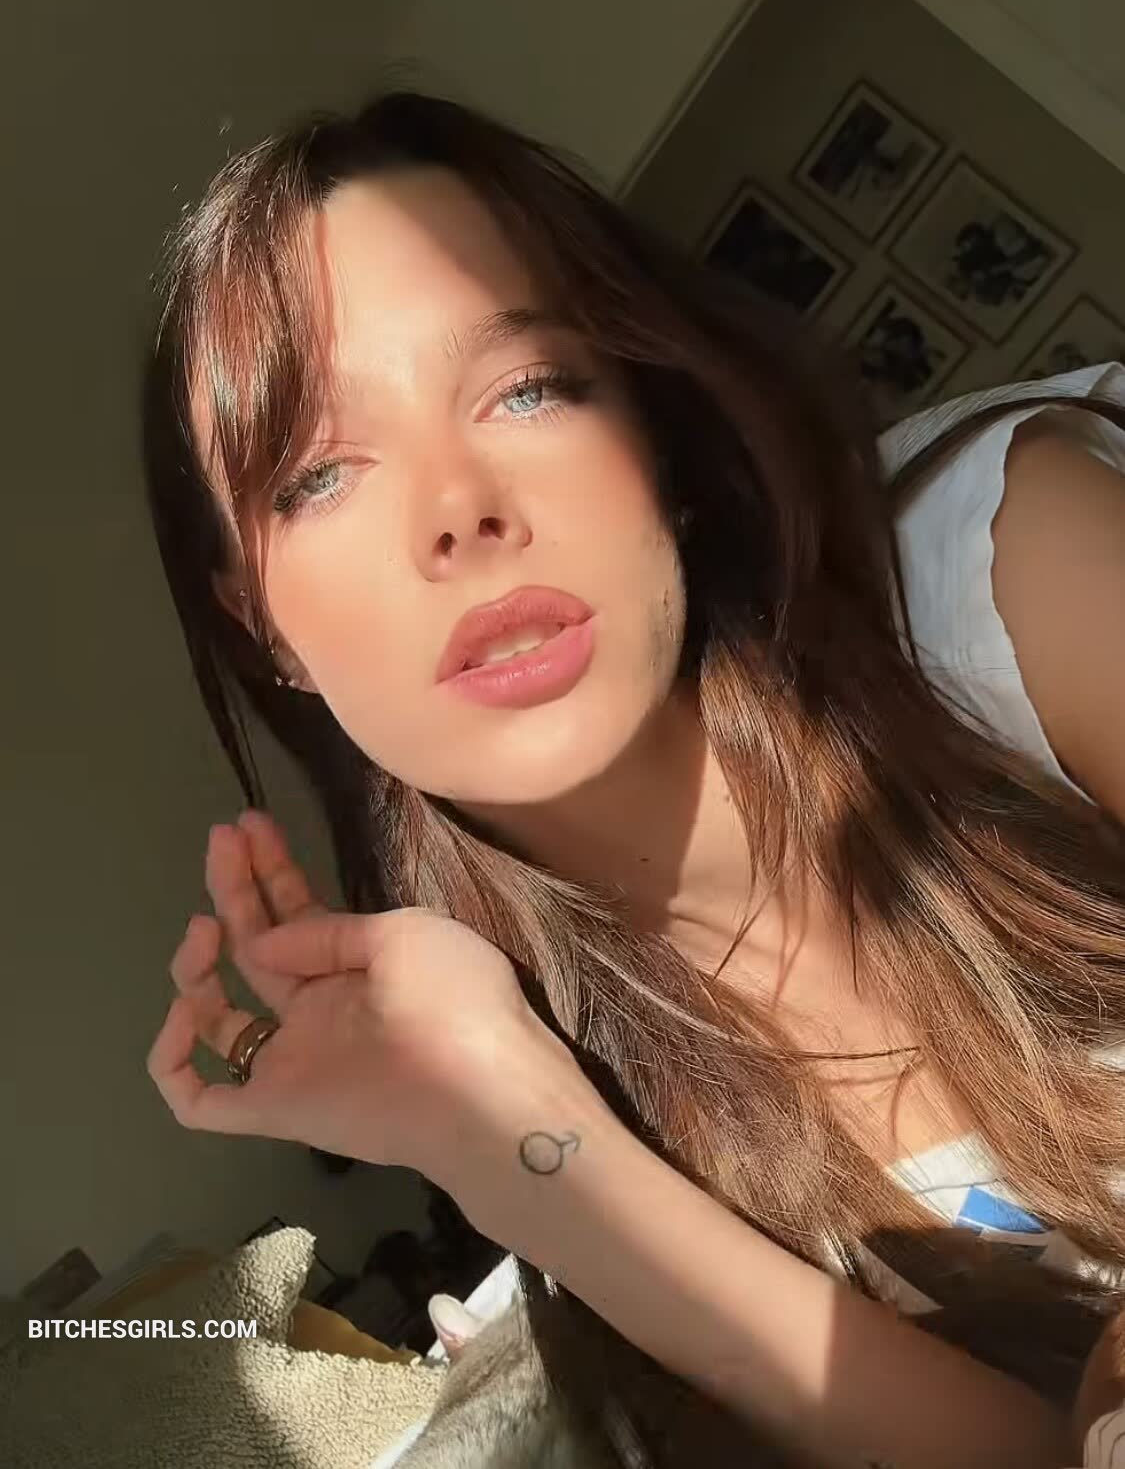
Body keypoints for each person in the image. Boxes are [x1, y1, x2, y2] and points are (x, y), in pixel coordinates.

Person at [140, 90, 1125, 1469]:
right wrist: (504, 1139)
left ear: (658, 441)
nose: (457, 507)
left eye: (527, 387)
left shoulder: (1000, 585)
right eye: (318, 475)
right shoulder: (553, 1053)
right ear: (263, 630)